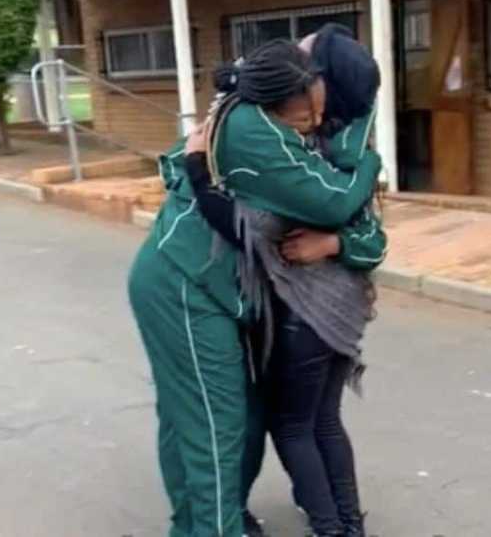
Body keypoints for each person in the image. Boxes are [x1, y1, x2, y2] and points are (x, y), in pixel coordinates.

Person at [126, 39, 382, 537]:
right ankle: (217, 525)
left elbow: (363, 229)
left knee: (254, 421)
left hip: (284, 304)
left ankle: (239, 521)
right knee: (218, 423)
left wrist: (334, 243)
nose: (299, 55)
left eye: (310, 57)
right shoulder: (257, 127)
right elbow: (315, 209)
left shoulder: (323, 140)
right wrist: (198, 174)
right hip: (193, 285)